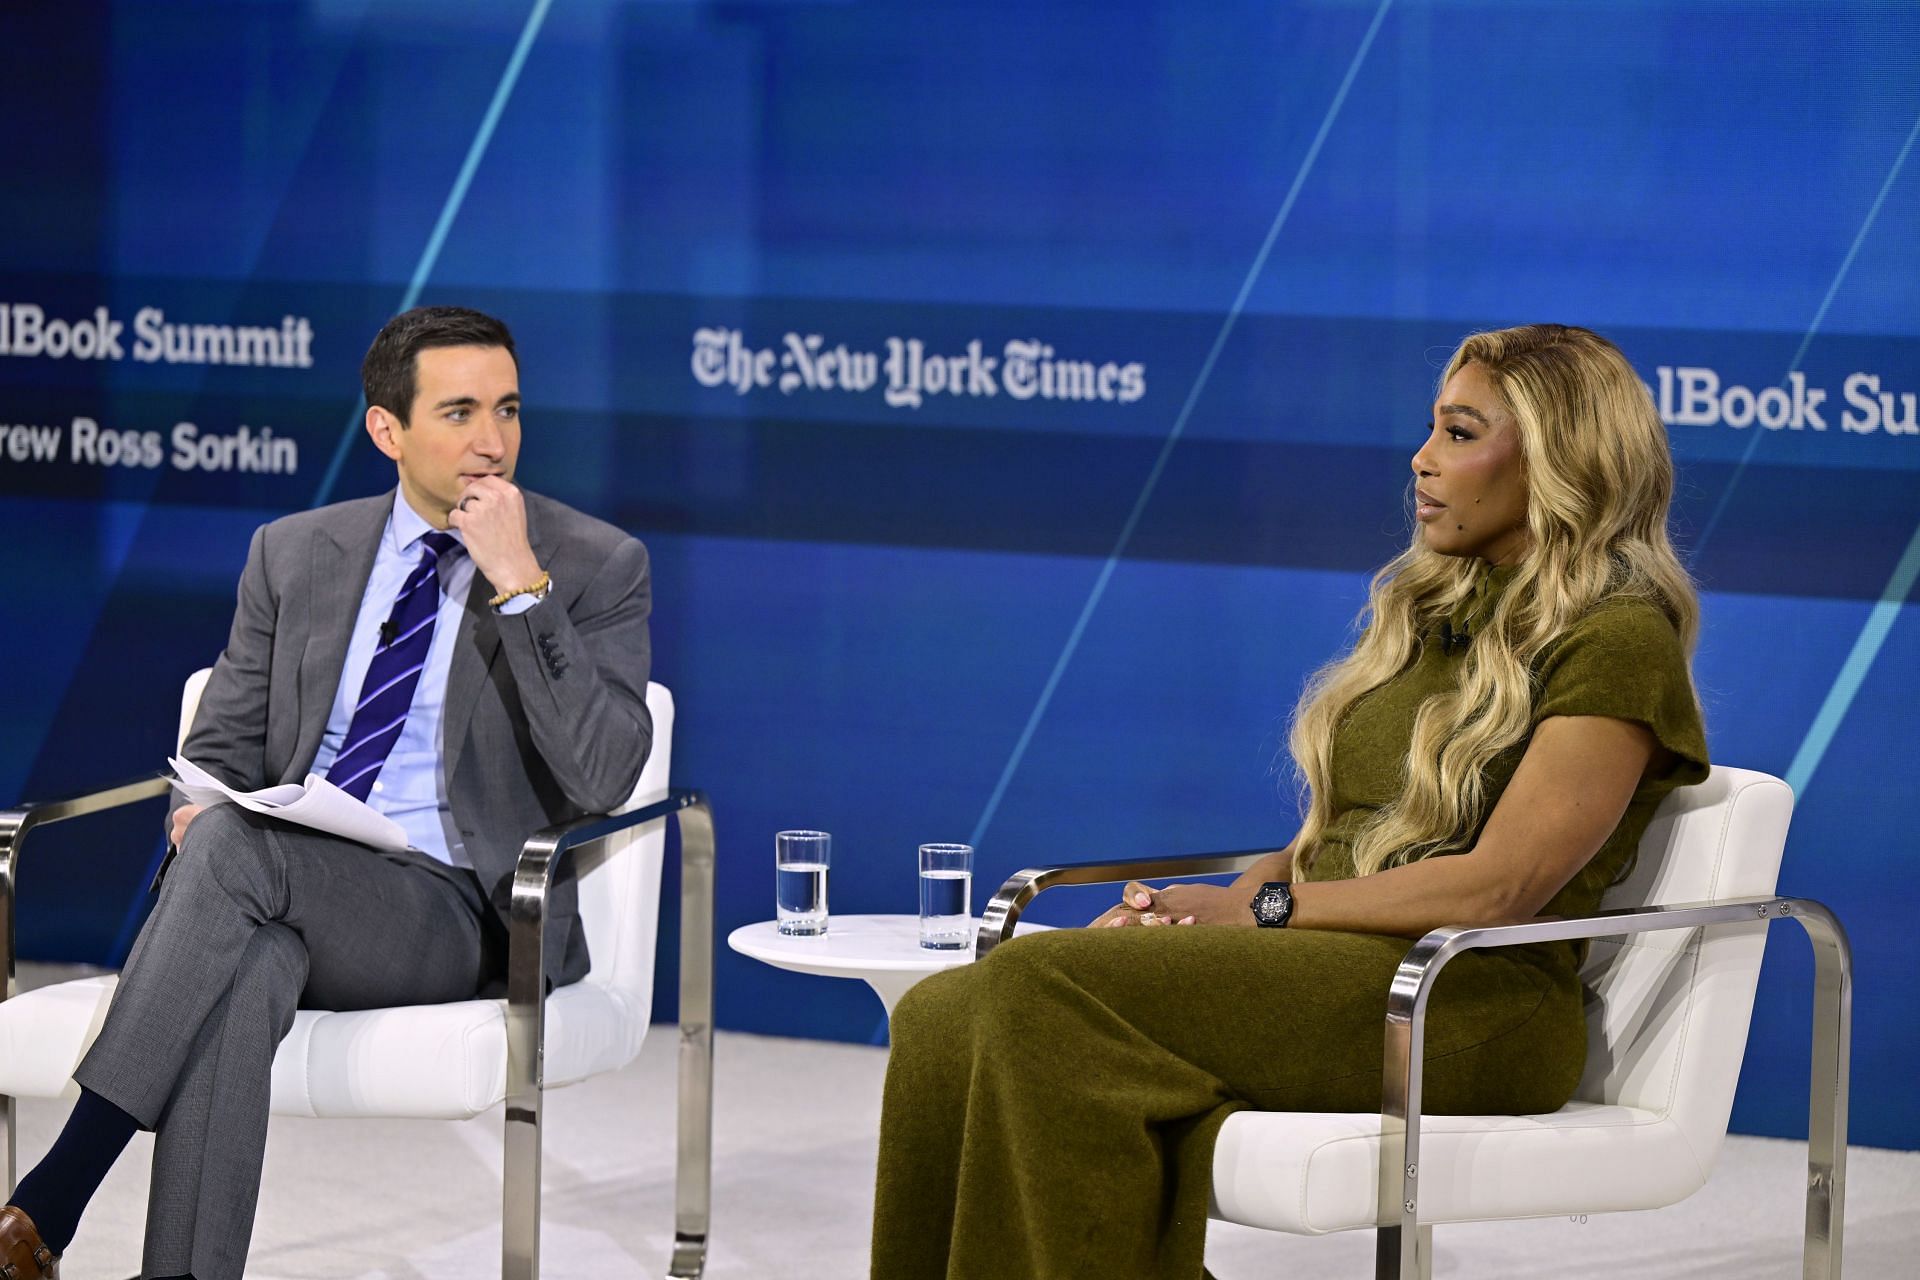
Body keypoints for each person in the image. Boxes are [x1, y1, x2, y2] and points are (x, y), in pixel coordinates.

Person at [869, 324, 1710, 1279]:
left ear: (1561, 460)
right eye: (1431, 429)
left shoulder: (1617, 637)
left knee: (1037, 986)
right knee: (944, 1016)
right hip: (1338, 963)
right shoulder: (1434, 610)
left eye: (1461, 434)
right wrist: (1204, 909)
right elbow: (1341, 840)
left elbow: (1497, 888)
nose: (1422, 459)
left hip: (1465, 1000)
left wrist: (1262, 910)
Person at [0, 306, 653, 1280]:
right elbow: (219, 738)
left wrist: (520, 582)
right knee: (249, 954)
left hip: (461, 908)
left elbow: (604, 772)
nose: (493, 439)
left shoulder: (593, 563)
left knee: (228, 856)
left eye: (508, 409)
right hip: (295, 884)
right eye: (461, 410)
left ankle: (52, 1194)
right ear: (388, 430)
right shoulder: (296, 551)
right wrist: (201, 800)